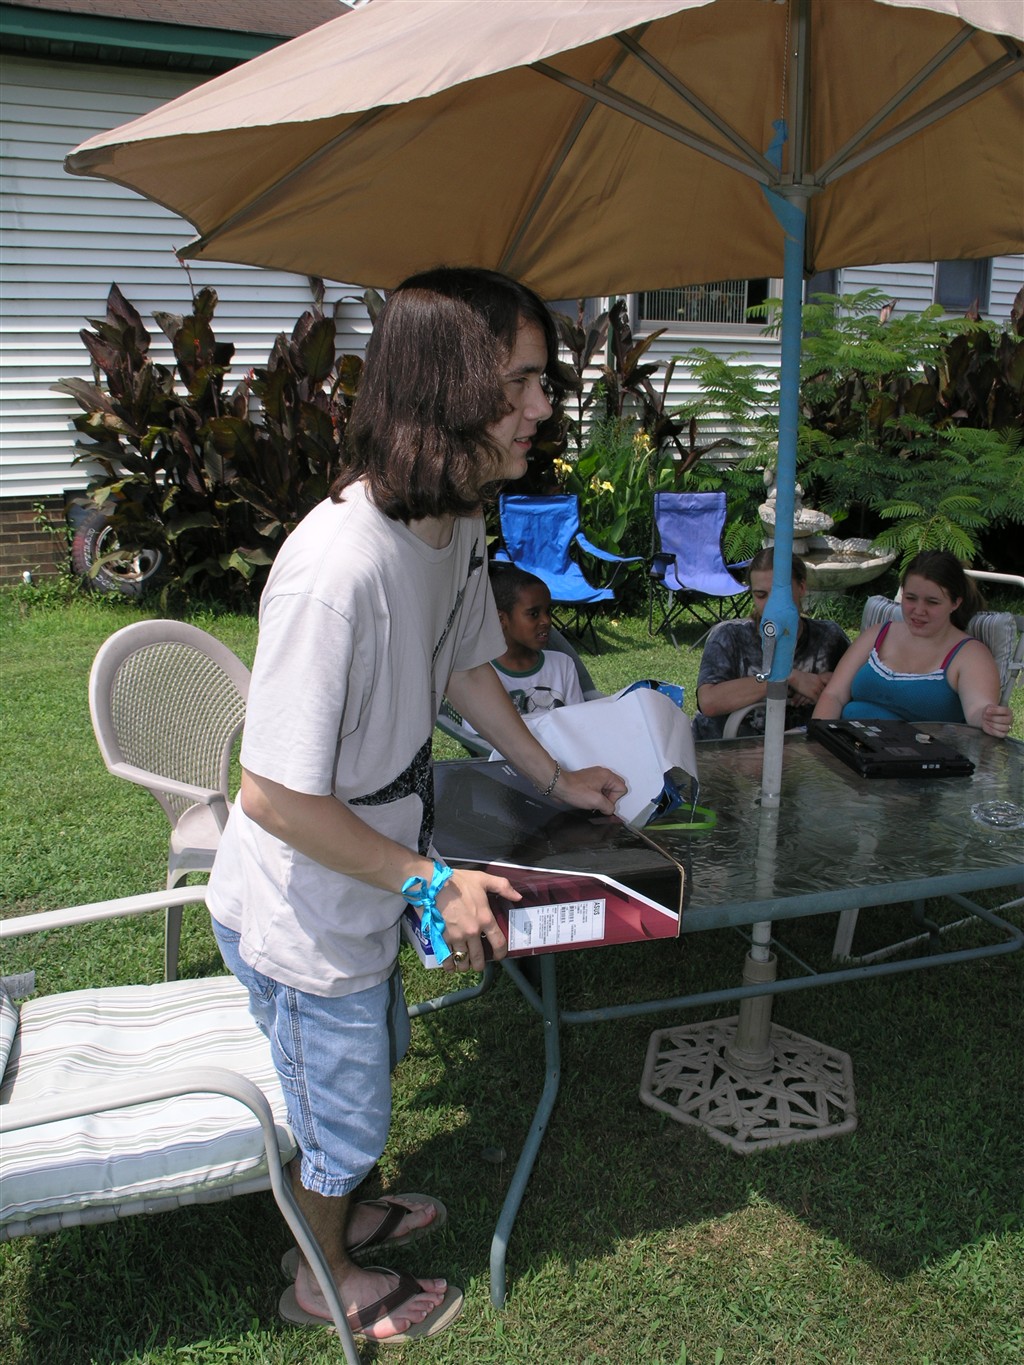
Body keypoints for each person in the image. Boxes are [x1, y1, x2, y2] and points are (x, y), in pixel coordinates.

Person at [206, 267, 627, 1344]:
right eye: (520, 382)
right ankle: (323, 1276)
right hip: (303, 901)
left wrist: (552, 777)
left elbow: (465, 663)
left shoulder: (455, 519)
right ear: (448, 389)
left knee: (372, 1059)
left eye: (543, 381)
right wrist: (431, 881)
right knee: (343, 1110)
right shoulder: (335, 572)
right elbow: (272, 795)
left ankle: (343, 1211)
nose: (541, 406)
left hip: (368, 864)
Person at [813, 549, 1012, 737]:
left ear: (955, 603)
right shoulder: (879, 634)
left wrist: (988, 718)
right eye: (910, 598)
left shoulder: (969, 654)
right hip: (845, 746)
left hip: (916, 757)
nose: (918, 610)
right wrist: (817, 740)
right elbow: (834, 695)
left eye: (932, 602)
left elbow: (977, 709)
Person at [692, 548, 850, 740]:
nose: (771, 605)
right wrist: (788, 679)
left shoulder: (828, 638)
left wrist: (827, 682)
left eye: (779, 594)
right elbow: (709, 701)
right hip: (726, 748)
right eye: (761, 595)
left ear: (801, 587)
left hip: (800, 752)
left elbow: (859, 688)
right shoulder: (730, 636)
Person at [485, 563, 586, 714]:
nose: (546, 621)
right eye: (534, 614)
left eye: (548, 611)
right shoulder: (483, 675)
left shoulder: (563, 665)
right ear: (501, 619)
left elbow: (578, 719)